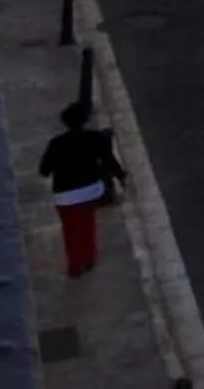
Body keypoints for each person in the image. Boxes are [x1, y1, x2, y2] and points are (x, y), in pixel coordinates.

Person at [38, 101, 126, 277]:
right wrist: (122, 177)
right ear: (85, 120)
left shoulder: (56, 144)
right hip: (90, 190)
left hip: (65, 195)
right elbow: (109, 160)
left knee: (70, 229)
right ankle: (89, 258)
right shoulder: (95, 138)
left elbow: (44, 171)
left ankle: (74, 266)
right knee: (88, 223)